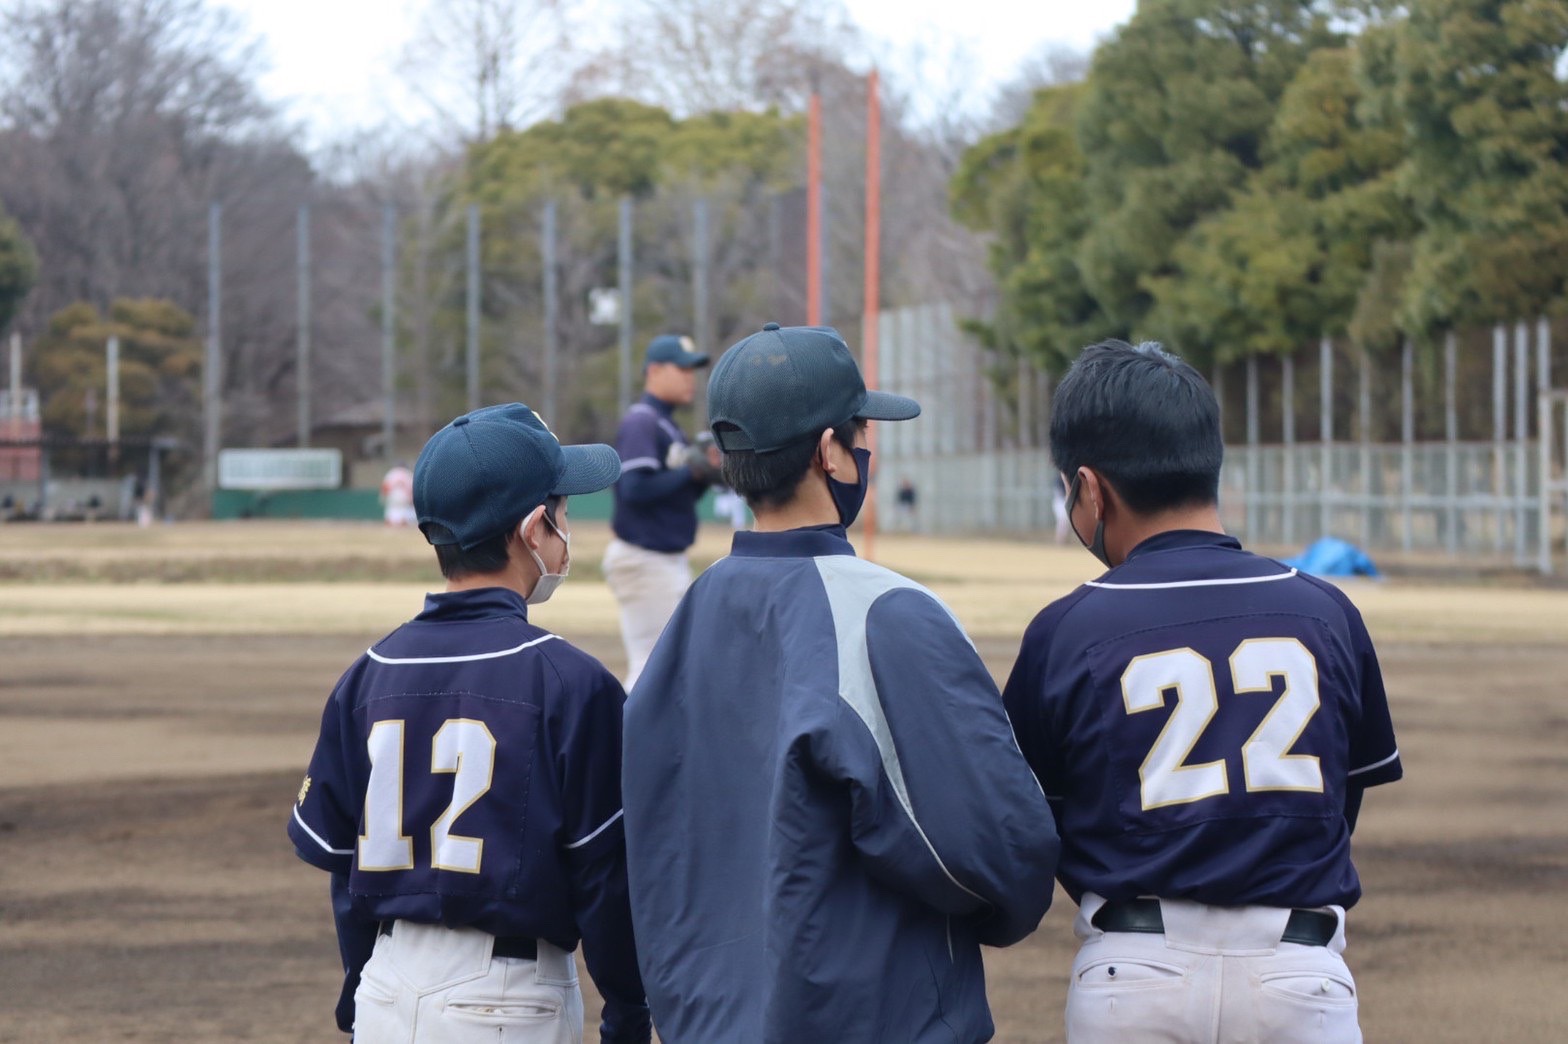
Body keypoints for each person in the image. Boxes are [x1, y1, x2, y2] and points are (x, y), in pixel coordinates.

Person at [622, 323, 1060, 1043]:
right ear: (830, 451)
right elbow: (996, 853)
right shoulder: (884, 612)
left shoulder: (686, 618)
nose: (866, 448)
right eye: (859, 431)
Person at [1001, 341, 1403, 1044]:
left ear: (1090, 489)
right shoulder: (1326, 612)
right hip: (1298, 972)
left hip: (1135, 975)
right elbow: (1342, 803)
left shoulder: (1067, 627)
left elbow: (1039, 823)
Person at [287, 403, 650, 1044]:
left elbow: (345, 869)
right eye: (563, 513)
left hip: (386, 987)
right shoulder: (571, 682)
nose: (567, 529)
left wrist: (359, 988)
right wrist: (628, 1010)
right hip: (507, 999)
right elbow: (605, 879)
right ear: (535, 529)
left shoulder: (366, 675)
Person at [604, 334, 721, 688]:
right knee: (654, 670)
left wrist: (701, 476)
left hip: (660, 560)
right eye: (682, 368)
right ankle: (624, 742)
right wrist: (691, 470)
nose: (690, 377)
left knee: (665, 667)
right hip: (645, 558)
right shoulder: (643, 421)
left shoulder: (667, 425)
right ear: (654, 370)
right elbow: (634, 489)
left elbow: (676, 494)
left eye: (693, 369)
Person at [380, 461, 415, 527]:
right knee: (404, 513)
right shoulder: (408, 473)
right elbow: (411, 488)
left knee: (391, 512)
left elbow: (385, 487)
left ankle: (390, 523)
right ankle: (402, 523)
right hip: (404, 497)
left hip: (392, 496)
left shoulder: (391, 473)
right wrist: (411, 499)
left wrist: (383, 496)